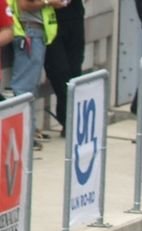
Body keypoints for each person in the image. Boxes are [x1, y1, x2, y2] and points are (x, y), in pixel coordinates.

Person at [9, 0, 64, 146]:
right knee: (24, 89)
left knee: (30, 88)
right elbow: (25, 5)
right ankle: (24, 136)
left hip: (33, 33)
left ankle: (28, 133)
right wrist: (49, 2)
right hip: (30, 33)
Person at [43, 0, 82, 134]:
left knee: (75, 69)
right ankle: (68, 119)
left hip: (74, 15)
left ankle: (69, 119)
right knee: (59, 70)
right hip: (49, 18)